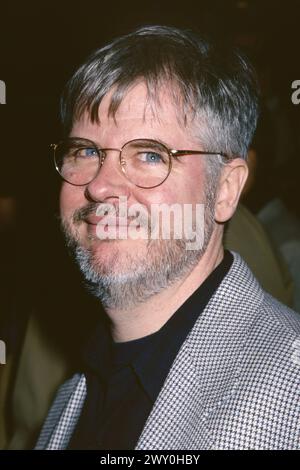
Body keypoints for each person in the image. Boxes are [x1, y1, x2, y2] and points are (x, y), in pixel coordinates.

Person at [35, 26, 300, 450]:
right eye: (85, 150)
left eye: (150, 155)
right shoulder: (73, 394)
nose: (101, 187)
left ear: (226, 190)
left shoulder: (289, 390)